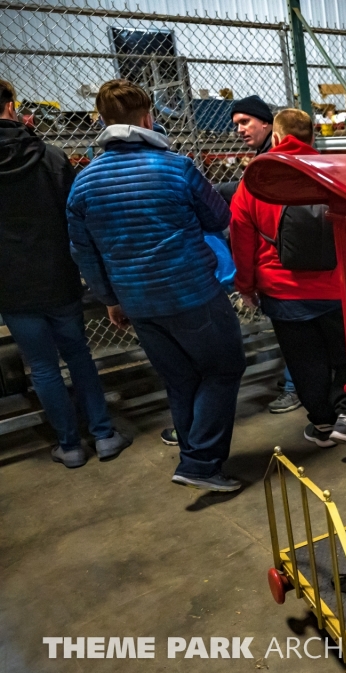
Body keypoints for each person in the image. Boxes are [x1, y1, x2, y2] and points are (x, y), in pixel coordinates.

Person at [67, 79, 245, 492]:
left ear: (102, 120)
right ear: (148, 118)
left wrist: (110, 299)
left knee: (180, 380)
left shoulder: (85, 182)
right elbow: (219, 218)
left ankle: (194, 459)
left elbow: (84, 252)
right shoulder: (176, 167)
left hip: (137, 303)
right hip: (193, 293)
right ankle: (200, 463)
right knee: (223, 368)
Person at [0, 78, 131, 468]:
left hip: (10, 284)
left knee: (42, 366)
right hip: (58, 275)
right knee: (77, 354)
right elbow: (76, 218)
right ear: (11, 107)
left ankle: (70, 445)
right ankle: (104, 435)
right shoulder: (50, 157)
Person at [230, 108, 346, 448]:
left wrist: (246, 286)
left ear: (275, 137)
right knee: (344, 354)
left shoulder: (257, 178)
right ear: (312, 137)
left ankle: (322, 424)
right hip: (335, 286)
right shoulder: (334, 172)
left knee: (304, 361)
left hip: (282, 292)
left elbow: (241, 236)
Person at [222, 94, 301, 416]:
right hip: (295, 264)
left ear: (267, 124)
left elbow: (244, 231)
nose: (240, 129)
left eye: (246, 122)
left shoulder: (270, 162)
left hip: (283, 268)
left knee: (295, 337)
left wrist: (245, 283)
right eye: (236, 125)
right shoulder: (268, 159)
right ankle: (300, 383)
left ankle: (296, 387)